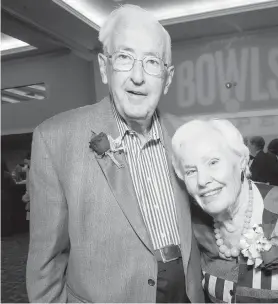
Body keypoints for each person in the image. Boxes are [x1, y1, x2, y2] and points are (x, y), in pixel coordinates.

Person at [26, 5, 204, 303]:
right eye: (124, 58)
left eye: (151, 62)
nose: (137, 76)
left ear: (168, 77)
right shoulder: (55, 138)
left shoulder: (188, 137)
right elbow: (46, 262)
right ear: (103, 67)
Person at [171, 119, 278, 303]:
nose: (202, 180)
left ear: (241, 161)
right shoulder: (195, 224)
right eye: (191, 171)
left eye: (213, 162)